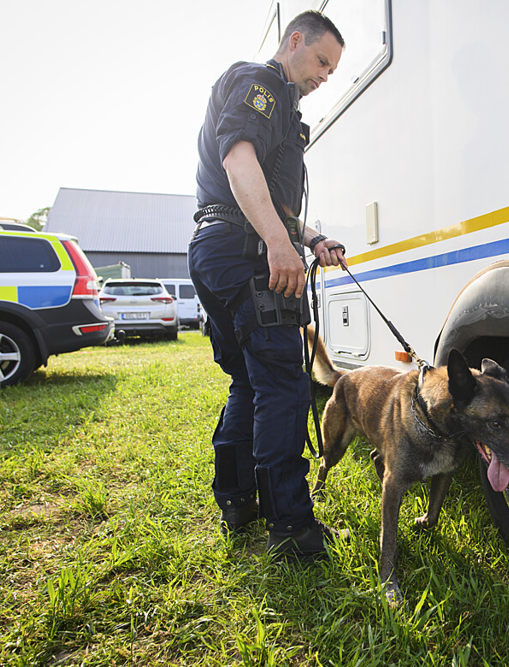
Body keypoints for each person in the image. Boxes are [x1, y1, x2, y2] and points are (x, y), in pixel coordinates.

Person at [188, 10, 348, 560]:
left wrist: (309, 238)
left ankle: (236, 500)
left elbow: (273, 199)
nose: (326, 75)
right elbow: (239, 161)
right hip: (245, 251)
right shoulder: (260, 83)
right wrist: (279, 246)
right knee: (283, 384)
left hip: (216, 247)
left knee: (249, 382)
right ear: (295, 40)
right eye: (323, 61)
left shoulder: (283, 108)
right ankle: (294, 530)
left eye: (332, 70)